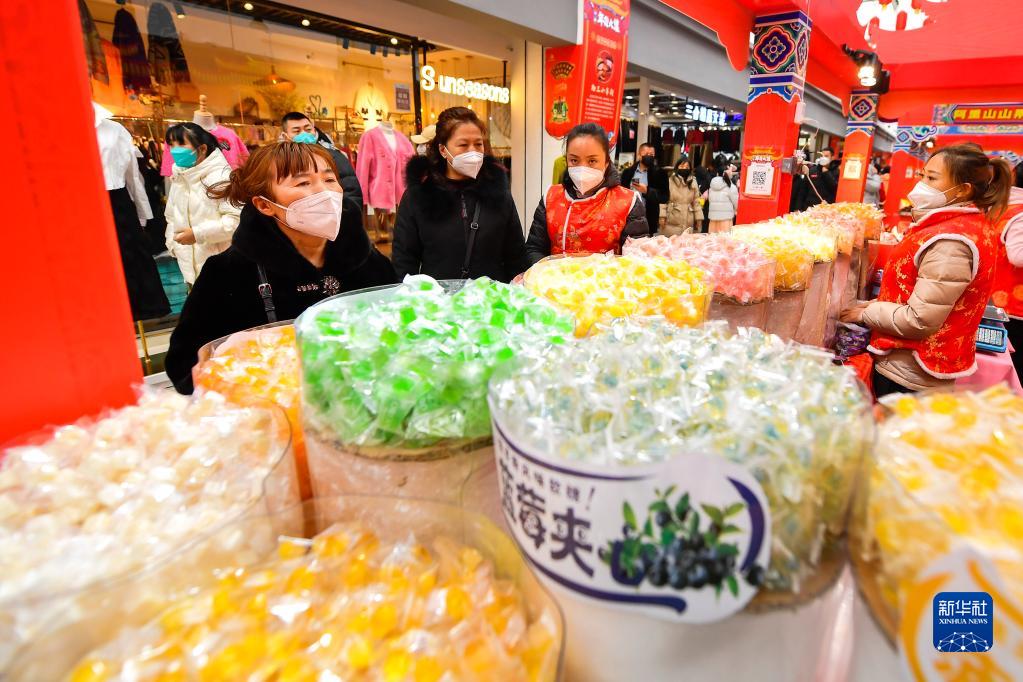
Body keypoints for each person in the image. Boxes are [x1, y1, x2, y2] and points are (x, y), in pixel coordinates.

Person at [165, 141, 397, 394]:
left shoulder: (367, 260)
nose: (324, 192)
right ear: (264, 205)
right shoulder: (227, 273)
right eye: (303, 183)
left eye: (330, 179)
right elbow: (185, 365)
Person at [841, 143, 1013, 398]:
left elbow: (920, 319)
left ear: (963, 189)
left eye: (932, 178)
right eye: (923, 175)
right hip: (909, 367)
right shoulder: (957, 225)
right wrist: (874, 305)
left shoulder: (951, 242)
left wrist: (866, 313)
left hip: (911, 371)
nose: (921, 184)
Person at [391, 107, 529, 283]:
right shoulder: (419, 195)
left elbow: (516, 254)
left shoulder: (498, 193)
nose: (473, 151)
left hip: (492, 296)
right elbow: (404, 259)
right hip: (438, 297)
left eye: (478, 144)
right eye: (463, 145)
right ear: (443, 150)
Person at [525, 123, 648, 263]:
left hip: (607, 277)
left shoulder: (628, 202)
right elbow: (534, 248)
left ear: (606, 162)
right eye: (574, 160)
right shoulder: (551, 197)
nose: (582, 168)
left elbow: (636, 260)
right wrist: (546, 272)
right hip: (556, 276)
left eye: (592, 161)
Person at [164, 122, 240, 285]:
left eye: (181, 144)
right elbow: (171, 216)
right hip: (189, 272)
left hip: (223, 271)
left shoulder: (222, 178)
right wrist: (173, 245)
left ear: (203, 148)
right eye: (171, 144)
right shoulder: (179, 178)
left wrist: (197, 234)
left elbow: (236, 221)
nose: (175, 150)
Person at [280, 111, 362, 207]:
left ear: (314, 131)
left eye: (308, 129)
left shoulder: (333, 156)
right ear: (285, 136)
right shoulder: (281, 162)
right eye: (297, 131)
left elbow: (352, 192)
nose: (304, 134)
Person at [991, 183, 1023, 380]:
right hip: (1014, 305)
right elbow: (1018, 255)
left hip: (998, 299)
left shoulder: (1005, 206)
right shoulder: (1020, 213)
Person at [621, 143, 668, 235]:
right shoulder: (627, 173)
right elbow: (621, 194)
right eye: (646, 154)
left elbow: (665, 197)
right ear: (639, 155)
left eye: (652, 155)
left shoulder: (660, 173)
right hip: (628, 217)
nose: (649, 156)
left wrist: (647, 191)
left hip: (649, 218)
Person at [663, 155, 701, 235]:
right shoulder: (670, 181)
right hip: (672, 217)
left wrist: (698, 219)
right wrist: (662, 217)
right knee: (672, 241)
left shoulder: (693, 182)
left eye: (687, 167)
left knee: (686, 241)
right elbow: (663, 200)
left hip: (688, 219)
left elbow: (696, 202)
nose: (684, 168)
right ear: (677, 167)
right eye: (682, 166)